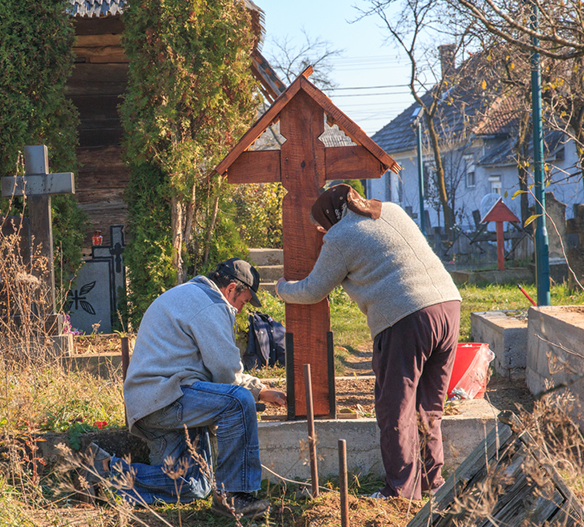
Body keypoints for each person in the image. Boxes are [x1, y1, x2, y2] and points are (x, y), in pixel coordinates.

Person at [275, 184, 461, 500]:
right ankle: (432, 483)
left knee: (395, 408)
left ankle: (400, 493)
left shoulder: (339, 238)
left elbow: (313, 289)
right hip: (448, 307)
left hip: (405, 318)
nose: (321, 231)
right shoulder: (391, 209)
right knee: (429, 404)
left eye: (321, 224)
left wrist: (282, 288)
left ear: (330, 215)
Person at [86, 258, 286, 520]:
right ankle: (235, 497)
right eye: (243, 301)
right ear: (231, 289)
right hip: (167, 397)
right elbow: (225, 374)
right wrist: (250, 394)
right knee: (238, 402)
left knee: (195, 485)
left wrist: (259, 391)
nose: (240, 309)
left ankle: (105, 473)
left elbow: (219, 371)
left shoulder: (191, 295)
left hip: (153, 401)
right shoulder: (213, 305)